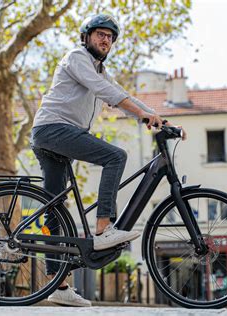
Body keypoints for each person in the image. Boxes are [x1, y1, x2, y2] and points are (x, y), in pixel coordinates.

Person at [30, 13, 186, 307]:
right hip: (53, 130)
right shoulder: (77, 58)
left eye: (110, 37)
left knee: (55, 210)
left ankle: (59, 286)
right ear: (87, 36)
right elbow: (107, 93)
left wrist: (159, 119)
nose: (106, 40)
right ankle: (103, 227)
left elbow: (120, 94)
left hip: (55, 135)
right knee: (116, 156)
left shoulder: (100, 70)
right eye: (101, 34)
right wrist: (143, 115)